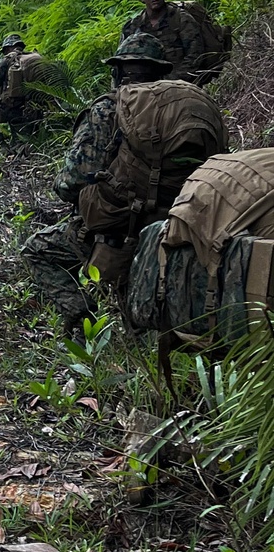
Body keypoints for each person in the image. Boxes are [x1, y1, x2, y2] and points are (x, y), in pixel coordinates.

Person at [21, 34, 226, 334]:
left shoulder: (110, 108)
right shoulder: (194, 106)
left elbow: (70, 182)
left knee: (36, 250)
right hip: (188, 225)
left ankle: (84, 322)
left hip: (123, 230)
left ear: (117, 71)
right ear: (160, 72)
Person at [120, 0, 205, 82]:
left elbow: (195, 55)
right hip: (142, 84)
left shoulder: (181, 18)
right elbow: (122, 62)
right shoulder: (132, 26)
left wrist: (173, 80)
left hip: (178, 82)